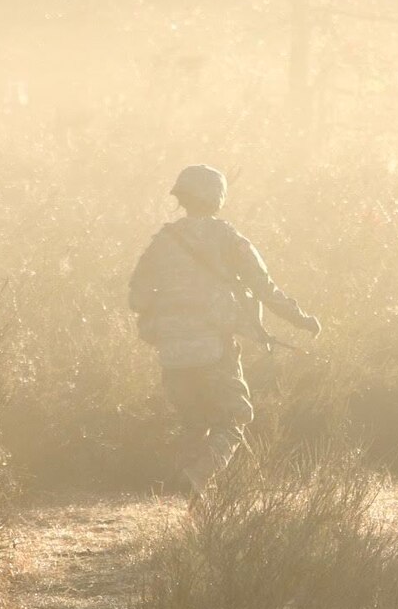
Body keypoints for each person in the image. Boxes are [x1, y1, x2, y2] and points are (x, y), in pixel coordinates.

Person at [128, 165, 321, 498]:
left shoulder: (161, 242)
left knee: (194, 424)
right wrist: (302, 319)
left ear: (182, 197)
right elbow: (265, 288)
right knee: (235, 416)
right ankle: (199, 477)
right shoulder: (227, 238)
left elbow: (137, 297)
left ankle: (191, 502)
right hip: (213, 348)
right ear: (217, 197)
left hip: (172, 353)